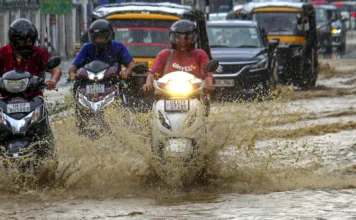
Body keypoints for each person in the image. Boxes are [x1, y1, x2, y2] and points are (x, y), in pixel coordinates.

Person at [142, 19, 214, 93]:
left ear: (193, 38)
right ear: (173, 38)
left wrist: (209, 85)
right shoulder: (164, 54)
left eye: (186, 38)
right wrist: (148, 83)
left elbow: (207, 74)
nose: (183, 41)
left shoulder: (200, 54)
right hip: (166, 96)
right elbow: (152, 73)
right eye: (178, 38)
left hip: (195, 96)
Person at [0, 18, 62, 96]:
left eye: (29, 41)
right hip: (5, 98)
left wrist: (52, 81)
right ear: (14, 41)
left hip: (33, 98)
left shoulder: (39, 53)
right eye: (21, 42)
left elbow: (56, 70)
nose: (26, 44)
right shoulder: (2, 53)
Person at [68, 19, 134, 81]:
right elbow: (74, 66)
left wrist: (126, 72)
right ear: (92, 38)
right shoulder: (87, 48)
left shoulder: (118, 47)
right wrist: (72, 73)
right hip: (89, 81)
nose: (99, 41)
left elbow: (131, 64)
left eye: (102, 38)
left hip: (113, 81)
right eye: (97, 38)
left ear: (108, 36)